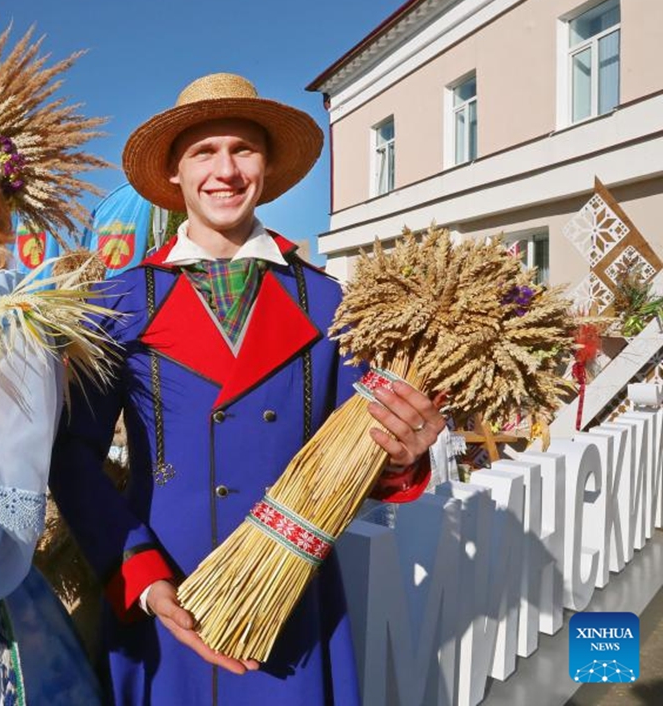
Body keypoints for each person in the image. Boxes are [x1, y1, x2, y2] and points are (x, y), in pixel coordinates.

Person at [49, 72, 447, 705]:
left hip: (288, 589)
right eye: (204, 152)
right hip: (167, 590)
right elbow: (72, 456)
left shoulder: (329, 301)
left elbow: (367, 451)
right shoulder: (118, 304)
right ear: (174, 174)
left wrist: (405, 452)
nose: (225, 170)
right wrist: (142, 575)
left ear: (267, 168)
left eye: (243, 150)